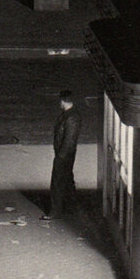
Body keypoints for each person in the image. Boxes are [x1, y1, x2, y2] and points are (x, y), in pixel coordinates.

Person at [42, 90, 82, 219]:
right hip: (65, 154)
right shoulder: (68, 115)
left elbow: (69, 140)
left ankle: (55, 211)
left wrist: (60, 157)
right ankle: (73, 208)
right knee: (67, 181)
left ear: (63, 101)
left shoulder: (71, 117)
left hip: (64, 155)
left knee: (57, 183)